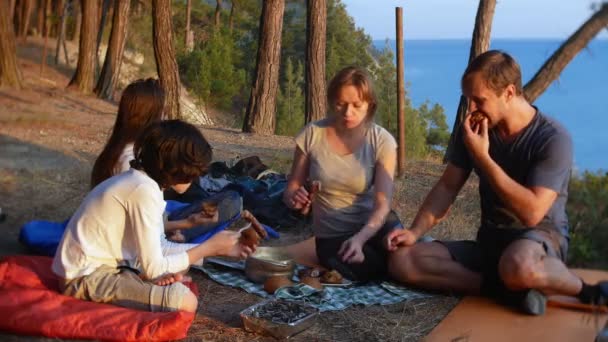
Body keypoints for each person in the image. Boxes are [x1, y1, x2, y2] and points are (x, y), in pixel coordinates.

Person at [386, 50, 607, 314]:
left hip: (538, 240)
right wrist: (414, 232)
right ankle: (507, 290)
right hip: (491, 243)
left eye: (479, 100)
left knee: (518, 265)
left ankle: (587, 291)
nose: (472, 109)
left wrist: (483, 158)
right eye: (468, 100)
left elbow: (532, 212)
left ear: (509, 93)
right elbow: (447, 187)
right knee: (402, 262)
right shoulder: (475, 131)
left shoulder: (553, 138)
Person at [52, 120, 256, 313]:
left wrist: (218, 250)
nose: (197, 178)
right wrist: (207, 248)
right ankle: (141, 286)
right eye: (195, 172)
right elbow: (153, 267)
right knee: (185, 301)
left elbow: (162, 248)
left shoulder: (146, 185)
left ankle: (141, 285)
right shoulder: (142, 190)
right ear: (178, 168)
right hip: (85, 278)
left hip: (110, 267)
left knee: (180, 268)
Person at [283, 66, 403, 282]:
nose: (348, 113)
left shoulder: (382, 141)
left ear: (370, 105)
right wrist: (295, 198)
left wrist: (361, 238)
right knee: (373, 271)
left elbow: (382, 204)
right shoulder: (312, 134)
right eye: (341, 104)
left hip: (374, 226)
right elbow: (291, 188)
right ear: (331, 101)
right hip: (333, 235)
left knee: (405, 260)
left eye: (357, 105)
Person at [89, 78, 229, 240]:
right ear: (151, 115)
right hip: (140, 231)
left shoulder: (122, 147)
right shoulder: (131, 161)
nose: (165, 116)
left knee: (221, 199)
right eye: (163, 111)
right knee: (228, 202)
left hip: (150, 219)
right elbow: (140, 233)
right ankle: (184, 238)